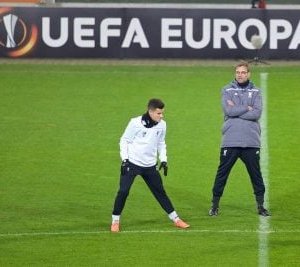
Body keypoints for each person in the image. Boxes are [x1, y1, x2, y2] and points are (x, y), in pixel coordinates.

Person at [111, 98, 190, 232]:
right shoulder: (135, 123)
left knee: (160, 192)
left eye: (162, 113)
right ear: (150, 112)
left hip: (150, 166)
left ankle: (176, 219)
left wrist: (164, 159)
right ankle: (115, 221)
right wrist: (124, 159)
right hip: (132, 163)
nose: (161, 116)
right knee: (123, 191)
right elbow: (124, 140)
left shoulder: (162, 125)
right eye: (159, 113)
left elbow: (161, 143)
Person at [209, 61, 270, 217]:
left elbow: (256, 113)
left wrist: (236, 110)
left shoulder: (256, 91)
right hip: (231, 139)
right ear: (235, 74)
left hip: (251, 141)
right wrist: (246, 107)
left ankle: (261, 206)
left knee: (256, 174)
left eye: (243, 72)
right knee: (222, 173)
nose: (240, 75)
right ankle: (215, 206)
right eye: (238, 72)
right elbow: (228, 110)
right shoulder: (226, 89)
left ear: (248, 74)